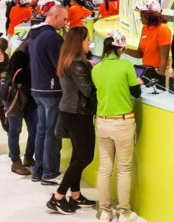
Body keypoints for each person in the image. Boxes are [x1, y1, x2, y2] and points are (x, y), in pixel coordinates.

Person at [92, 30, 142, 222]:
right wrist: (137, 82)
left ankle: (105, 211)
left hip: (102, 122)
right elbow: (136, 93)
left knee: (105, 168)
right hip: (122, 122)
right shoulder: (126, 66)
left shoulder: (96, 69)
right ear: (120, 48)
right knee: (124, 169)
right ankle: (124, 213)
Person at [46, 27, 97, 214]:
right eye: (87, 40)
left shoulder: (69, 60)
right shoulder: (77, 64)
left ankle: (75, 195)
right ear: (79, 42)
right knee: (85, 156)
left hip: (71, 112)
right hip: (78, 113)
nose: (89, 43)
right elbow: (88, 90)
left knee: (77, 155)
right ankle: (58, 196)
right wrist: (95, 72)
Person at [30, 5, 68, 185]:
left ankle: (38, 170)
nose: (65, 22)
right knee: (52, 133)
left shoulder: (34, 34)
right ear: (55, 16)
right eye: (64, 19)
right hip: (52, 90)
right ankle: (50, 173)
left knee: (42, 130)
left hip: (38, 89)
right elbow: (60, 65)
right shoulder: (52, 37)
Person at [4, 36, 38, 175]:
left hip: (31, 96)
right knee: (15, 130)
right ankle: (15, 161)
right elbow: (16, 76)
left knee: (35, 128)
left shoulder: (33, 52)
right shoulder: (20, 53)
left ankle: (28, 157)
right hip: (16, 97)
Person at [125, 0, 170, 87]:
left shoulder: (163, 29)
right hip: (146, 71)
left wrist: (159, 79)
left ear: (150, 15)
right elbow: (140, 53)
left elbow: (163, 58)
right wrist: (124, 49)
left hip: (157, 72)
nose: (140, 16)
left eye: (142, 13)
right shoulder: (144, 28)